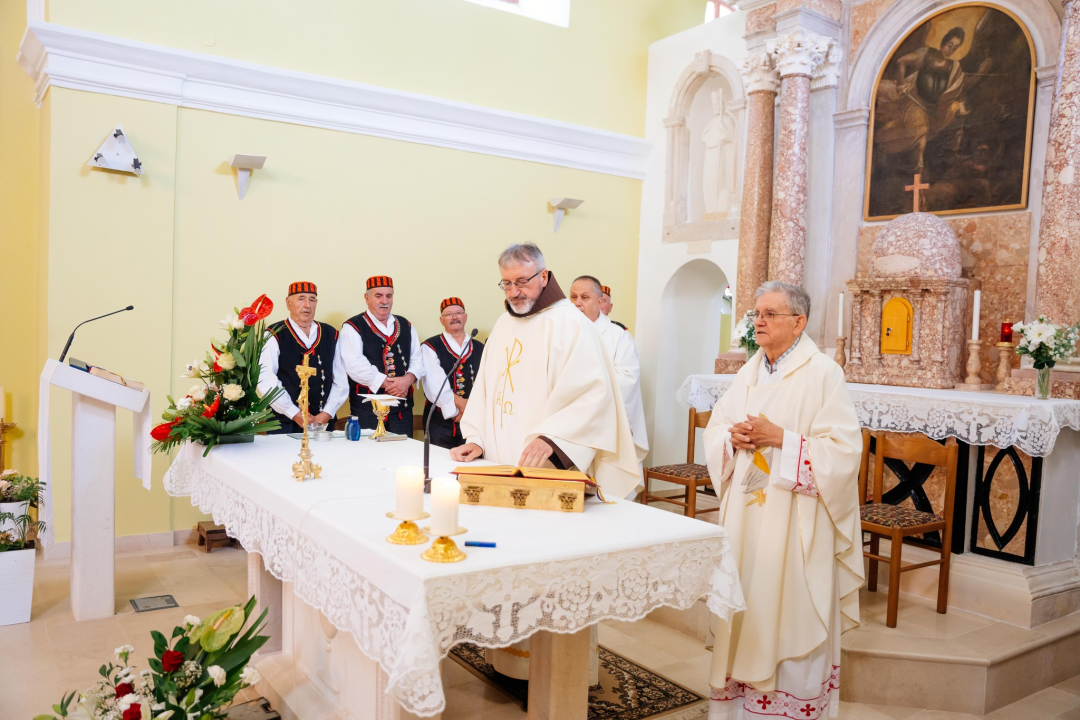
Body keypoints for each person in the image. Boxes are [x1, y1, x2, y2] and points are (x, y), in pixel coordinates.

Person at [451, 243, 642, 682]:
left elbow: (593, 394)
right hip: (503, 466)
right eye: (507, 282)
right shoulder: (502, 323)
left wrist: (552, 438)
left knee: (548, 569)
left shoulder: (570, 323)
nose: (515, 290)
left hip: (547, 468)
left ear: (544, 276)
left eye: (523, 280)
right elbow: (486, 387)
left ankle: (561, 671)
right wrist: (476, 438)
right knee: (507, 561)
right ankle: (507, 661)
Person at [702, 281, 864, 720]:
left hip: (795, 518)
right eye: (757, 313)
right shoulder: (750, 371)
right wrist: (730, 437)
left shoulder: (823, 374)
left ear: (799, 322)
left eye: (770, 314)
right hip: (748, 511)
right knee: (747, 596)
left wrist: (783, 441)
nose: (759, 321)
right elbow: (717, 428)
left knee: (787, 603)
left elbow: (845, 453)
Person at [569, 275, 648, 455]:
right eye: (573, 297)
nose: (577, 303)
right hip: (569, 422)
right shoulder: (561, 334)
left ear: (600, 302)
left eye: (585, 297)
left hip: (604, 423)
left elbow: (627, 379)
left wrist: (586, 391)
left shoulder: (618, 337)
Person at [258, 282, 349, 434]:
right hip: (284, 422)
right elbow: (266, 380)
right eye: (301, 299)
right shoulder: (274, 334)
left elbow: (340, 380)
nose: (307, 305)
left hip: (324, 424)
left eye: (312, 299)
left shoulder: (330, 334)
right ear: (288, 303)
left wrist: (326, 414)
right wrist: (294, 413)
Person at [340, 276, 424, 436]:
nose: (384, 301)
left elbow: (417, 359)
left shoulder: (405, 325)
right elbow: (354, 365)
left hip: (402, 411)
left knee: (403, 456)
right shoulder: (353, 327)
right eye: (378, 296)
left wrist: (407, 380)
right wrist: (391, 384)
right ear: (367, 298)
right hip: (367, 410)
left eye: (389, 296)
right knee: (370, 458)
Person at [420, 297, 484, 449]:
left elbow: (486, 382)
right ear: (441, 320)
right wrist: (460, 407)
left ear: (466, 317)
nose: (454, 317)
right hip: (438, 420)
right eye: (449, 314)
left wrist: (469, 410)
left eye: (459, 313)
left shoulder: (481, 348)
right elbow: (434, 384)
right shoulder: (430, 346)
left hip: (472, 420)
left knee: (470, 464)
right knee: (439, 463)